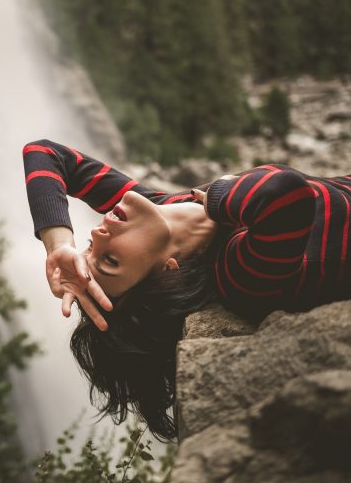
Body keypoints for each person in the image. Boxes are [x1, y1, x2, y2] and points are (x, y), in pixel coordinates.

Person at [23, 138, 351, 440]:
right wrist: (219, 198)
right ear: (167, 273)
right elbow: (283, 195)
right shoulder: (236, 273)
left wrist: (59, 245)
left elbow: (46, 153)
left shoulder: (165, 206)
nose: (97, 234)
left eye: (89, 248)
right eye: (110, 261)